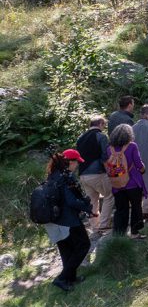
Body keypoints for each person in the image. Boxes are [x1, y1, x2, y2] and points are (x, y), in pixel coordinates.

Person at [43, 150, 93, 291]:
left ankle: (70, 278)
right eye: (76, 162)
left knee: (67, 250)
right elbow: (71, 201)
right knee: (84, 245)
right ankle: (62, 278)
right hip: (68, 221)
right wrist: (86, 207)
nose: (77, 165)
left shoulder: (52, 176)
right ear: (70, 162)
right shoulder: (64, 178)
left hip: (53, 220)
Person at [107, 123, 147, 239]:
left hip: (117, 184)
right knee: (136, 207)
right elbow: (138, 163)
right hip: (133, 182)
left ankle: (119, 235)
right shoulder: (132, 146)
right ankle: (134, 232)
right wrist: (143, 170)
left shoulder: (109, 148)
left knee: (120, 210)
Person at [76, 116, 114, 231]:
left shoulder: (80, 138)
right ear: (101, 123)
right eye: (104, 125)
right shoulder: (101, 136)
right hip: (97, 173)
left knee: (92, 201)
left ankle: (95, 226)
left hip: (82, 174)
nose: (104, 128)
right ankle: (104, 224)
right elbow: (105, 156)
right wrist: (110, 172)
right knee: (110, 195)